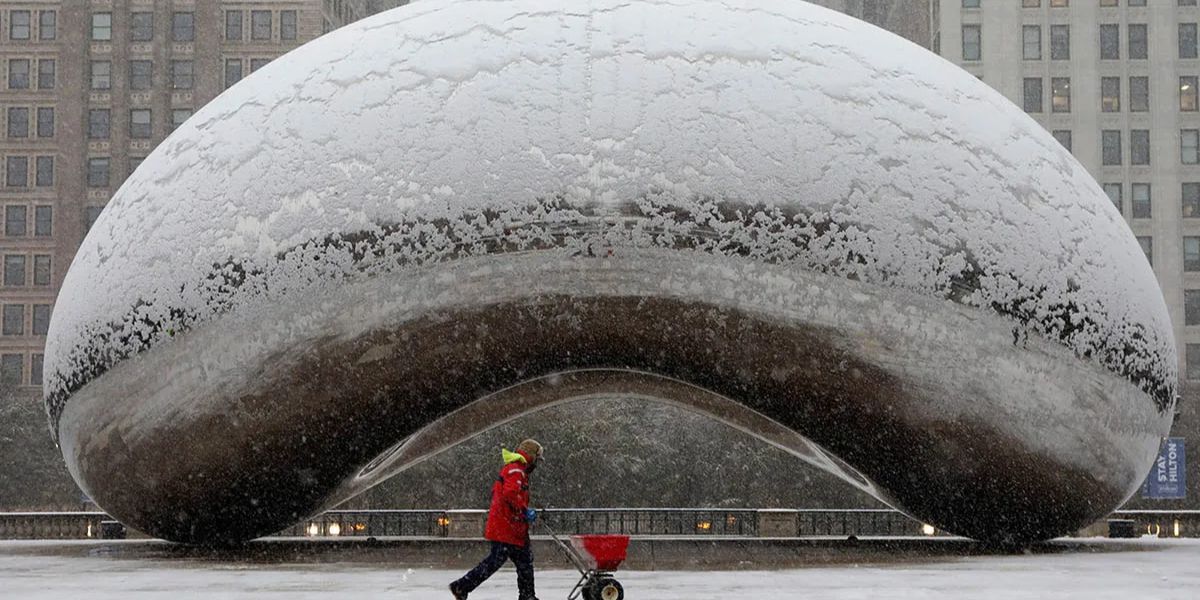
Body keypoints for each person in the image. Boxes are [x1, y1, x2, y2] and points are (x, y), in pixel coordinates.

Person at [450, 439, 544, 600]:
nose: (537, 463)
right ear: (531, 456)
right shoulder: (516, 470)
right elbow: (511, 494)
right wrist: (524, 510)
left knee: (524, 562)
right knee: (500, 561)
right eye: (537, 458)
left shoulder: (516, 469)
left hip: (512, 527)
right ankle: (461, 586)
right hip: (507, 527)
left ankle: (527, 596)